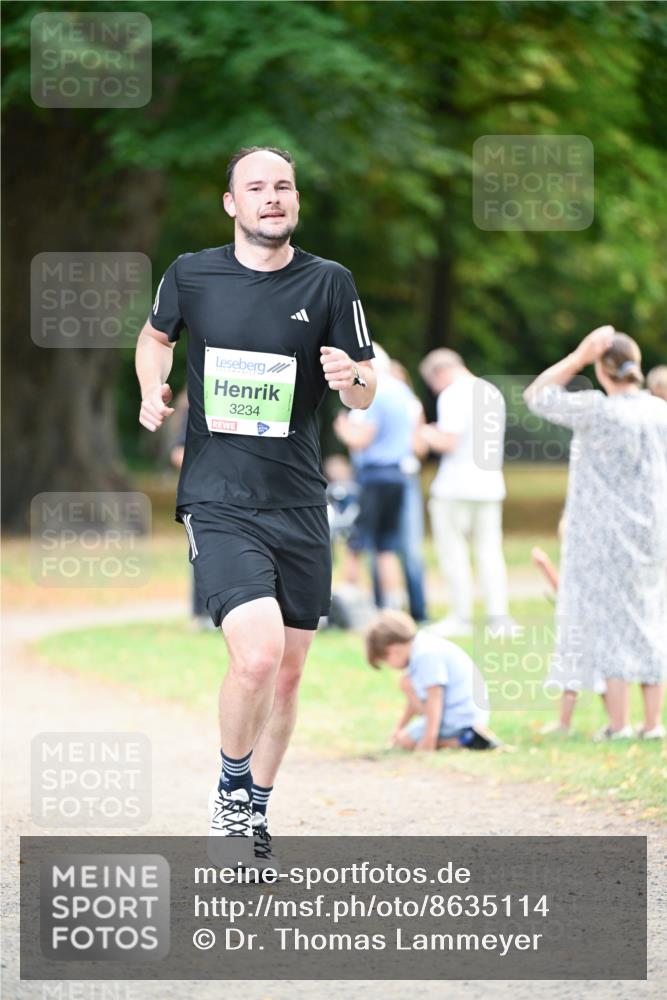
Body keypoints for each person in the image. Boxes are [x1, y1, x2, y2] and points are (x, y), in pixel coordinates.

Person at [135, 146, 376, 863]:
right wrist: (153, 387)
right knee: (257, 656)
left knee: (291, 669)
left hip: (299, 500)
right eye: (256, 187)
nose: (272, 197)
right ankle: (230, 789)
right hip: (219, 496)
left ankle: (256, 811)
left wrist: (351, 376)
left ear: (295, 200)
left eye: (284, 186)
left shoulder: (330, 282)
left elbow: (362, 393)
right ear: (231, 204)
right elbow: (154, 339)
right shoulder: (191, 273)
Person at [524, 326, 667, 741]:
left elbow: (537, 396)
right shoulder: (660, 411)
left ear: (603, 369)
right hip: (653, 533)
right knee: (650, 619)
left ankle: (618, 724)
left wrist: (578, 355)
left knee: (610, 625)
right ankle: (652, 722)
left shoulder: (597, 410)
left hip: (603, 535)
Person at [418, 349, 520, 639]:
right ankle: (498, 616)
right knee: (490, 552)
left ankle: (460, 616)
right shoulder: (490, 391)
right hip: (489, 483)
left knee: (454, 552)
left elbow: (450, 441)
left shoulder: (453, 394)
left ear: (440, 373)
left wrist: (426, 433)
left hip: (456, 484)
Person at [333, 344, 417, 612]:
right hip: (398, 472)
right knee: (387, 545)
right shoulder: (403, 390)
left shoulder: (376, 392)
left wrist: (343, 430)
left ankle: (348, 603)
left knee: (356, 541)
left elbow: (363, 438)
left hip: (374, 475)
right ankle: (393, 606)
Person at [365, 610, 495, 751]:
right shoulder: (421, 648)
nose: (390, 666)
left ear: (393, 650)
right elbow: (416, 704)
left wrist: (428, 740)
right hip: (459, 714)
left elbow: (435, 698)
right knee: (402, 736)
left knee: (405, 741)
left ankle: (466, 740)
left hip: (460, 716)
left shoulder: (425, 655)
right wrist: (399, 728)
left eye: (386, 661)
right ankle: (465, 737)